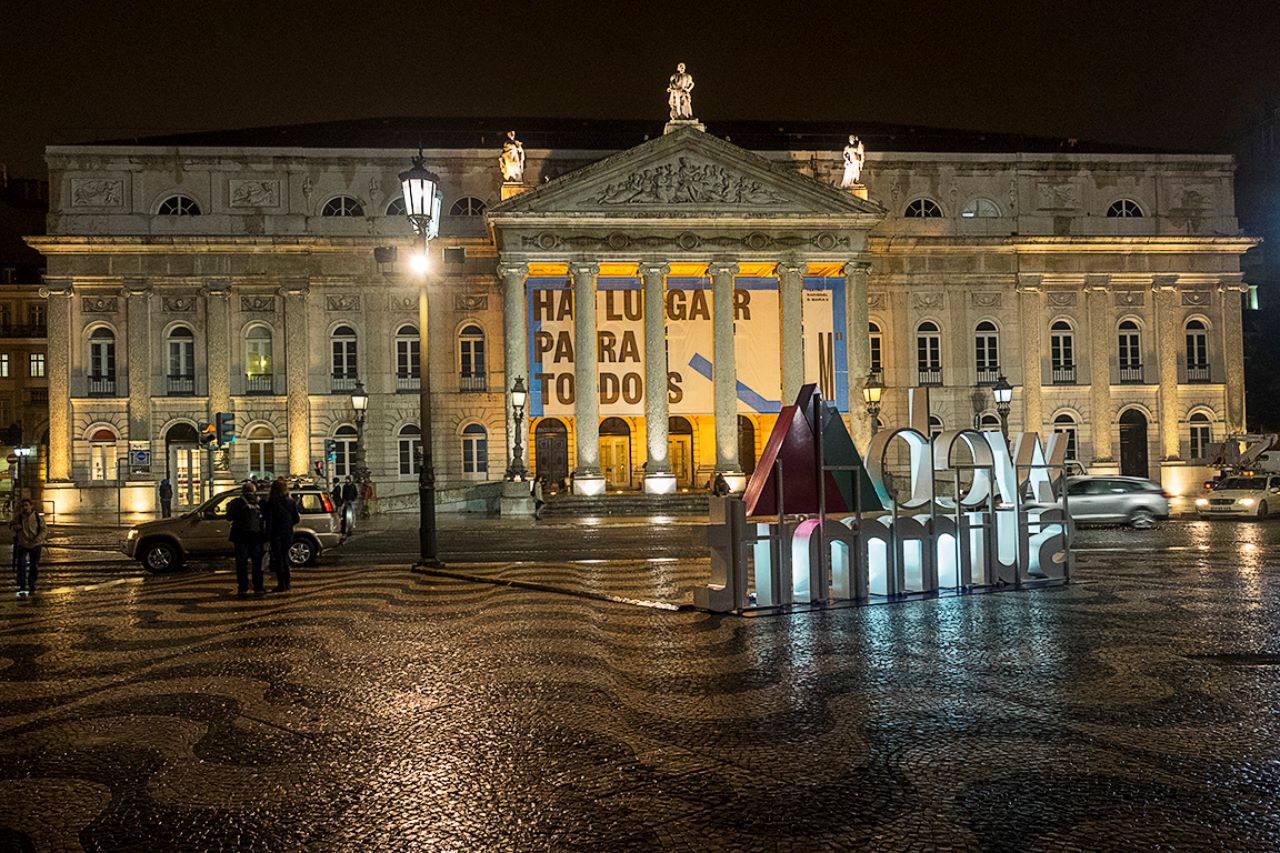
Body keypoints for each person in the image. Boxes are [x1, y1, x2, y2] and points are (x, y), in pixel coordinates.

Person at [226, 482, 266, 596]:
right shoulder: (260, 502)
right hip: (256, 536)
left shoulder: (236, 502)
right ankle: (258, 586)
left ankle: (243, 587)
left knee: (241, 563)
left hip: (240, 536)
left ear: (242, 491)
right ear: (254, 491)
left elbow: (229, 517)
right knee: (257, 562)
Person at [264, 479, 300, 593]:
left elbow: (269, 520)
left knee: (279, 559)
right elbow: (296, 518)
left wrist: (267, 536)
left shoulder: (271, 502)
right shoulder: (291, 501)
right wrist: (288, 524)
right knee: (285, 557)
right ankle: (287, 582)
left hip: (276, 534)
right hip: (287, 533)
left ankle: (282, 584)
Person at [10, 498, 46, 598]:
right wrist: (15, 527)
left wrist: (38, 539)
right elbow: (11, 525)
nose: (24, 508)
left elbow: (44, 529)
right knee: (21, 566)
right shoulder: (19, 517)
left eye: (26, 505)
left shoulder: (38, 517)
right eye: (22, 506)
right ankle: (22, 585)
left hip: (35, 545)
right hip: (22, 544)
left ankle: (31, 583)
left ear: (31, 506)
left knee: (34, 566)